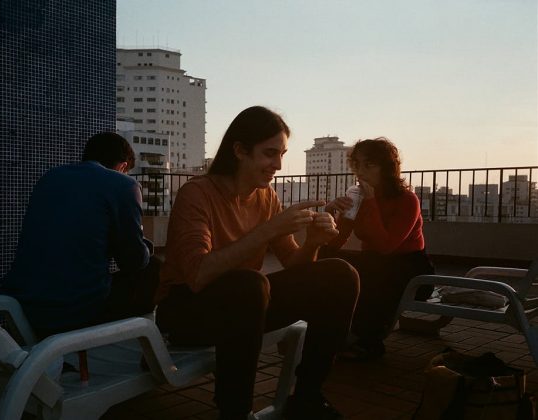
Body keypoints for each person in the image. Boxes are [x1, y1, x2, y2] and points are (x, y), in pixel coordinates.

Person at [154, 106, 360, 420]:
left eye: (282, 154)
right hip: (185, 312)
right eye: (269, 153)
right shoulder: (196, 194)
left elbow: (294, 263)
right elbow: (198, 275)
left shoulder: (266, 199)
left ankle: (306, 398)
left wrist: (314, 243)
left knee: (340, 275)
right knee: (250, 284)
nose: (277, 164)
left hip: (243, 307)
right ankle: (234, 412)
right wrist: (269, 229)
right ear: (239, 150)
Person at [2, 132, 157, 339]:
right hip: (73, 311)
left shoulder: (51, 177)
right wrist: (146, 247)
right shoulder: (123, 185)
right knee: (155, 270)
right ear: (123, 165)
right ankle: (147, 351)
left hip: (21, 306)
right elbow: (133, 261)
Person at [320, 137, 434, 360]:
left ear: (386, 168)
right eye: (357, 165)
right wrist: (332, 213)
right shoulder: (358, 198)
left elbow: (386, 246)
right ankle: (326, 326)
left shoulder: (407, 200)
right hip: (376, 264)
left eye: (368, 165)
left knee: (373, 271)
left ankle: (367, 342)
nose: (360, 172)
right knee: (328, 259)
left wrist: (370, 201)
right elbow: (335, 242)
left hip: (410, 269)